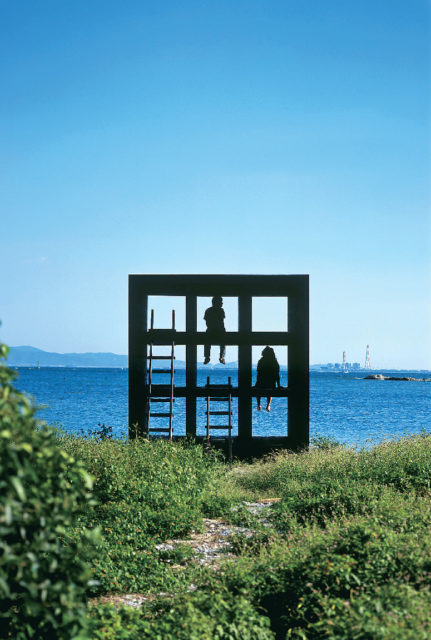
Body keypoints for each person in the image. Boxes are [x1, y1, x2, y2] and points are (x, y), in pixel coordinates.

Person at [255, 346, 281, 411]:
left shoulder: (261, 361)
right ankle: (268, 405)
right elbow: (277, 374)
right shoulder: (274, 361)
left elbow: (259, 373)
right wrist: (278, 385)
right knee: (269, 391)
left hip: (261, 382)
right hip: (271, 383)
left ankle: (258, 405)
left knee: (258, 390)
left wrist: (257, 383)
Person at [203, 296, 226, 364]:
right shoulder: (221, 311)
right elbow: (221, 322)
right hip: (219, 330)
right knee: (223, 343)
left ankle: (207, 357)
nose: (222, 303)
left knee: (207, 342)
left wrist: (211, 327)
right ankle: (221, 357)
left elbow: (207, 322)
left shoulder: (208, 310)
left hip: (211, 329)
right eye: (221, 302)